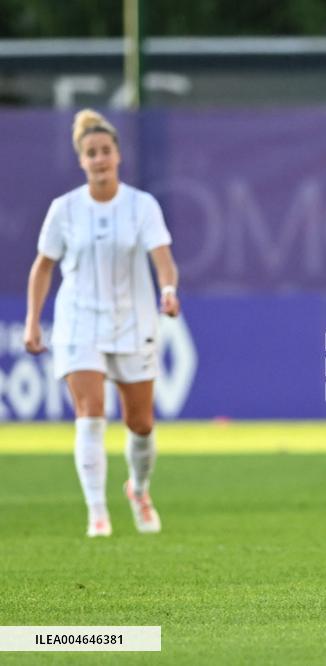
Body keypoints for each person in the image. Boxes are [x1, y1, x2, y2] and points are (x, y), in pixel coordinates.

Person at [23, 109, 180, 538]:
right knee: (90, 413)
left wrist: (168, 292)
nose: (99, 159)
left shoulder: (141, 205)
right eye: (91, 153)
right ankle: (97, 514)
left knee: (141, 423)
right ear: (81, 161)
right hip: (79, 322)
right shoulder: (65, 209)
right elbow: (42, 268)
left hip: (133, 321)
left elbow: (163, 261)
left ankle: (139, 489)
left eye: (105, 151)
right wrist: (33, 322)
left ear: (118, 155)